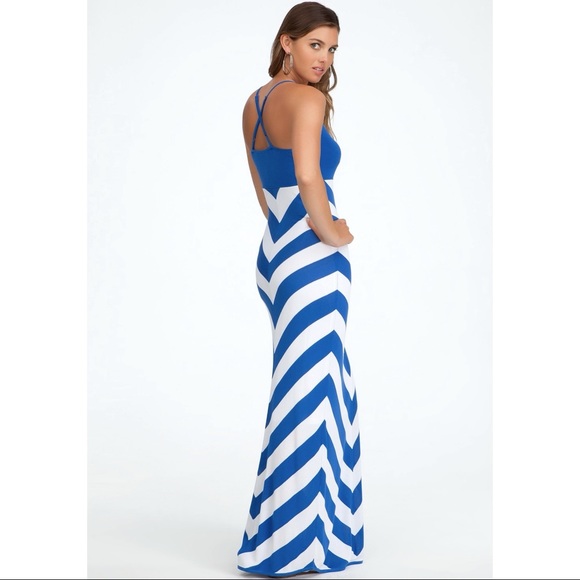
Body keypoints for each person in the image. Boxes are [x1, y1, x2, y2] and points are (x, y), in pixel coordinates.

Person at [237, 2, 363, 576]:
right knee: (312, 390)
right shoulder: (308, 101)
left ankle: (299, 531)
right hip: (310, 253)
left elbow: (263, 189)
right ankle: (296, 544)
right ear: (286, 42)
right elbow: (309, 175)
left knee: (310, 383)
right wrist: (331, 231)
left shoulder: (254, 102)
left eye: (332, 49)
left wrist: (288, 232)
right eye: (315, 44)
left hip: (275, 251)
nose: (325, 58)